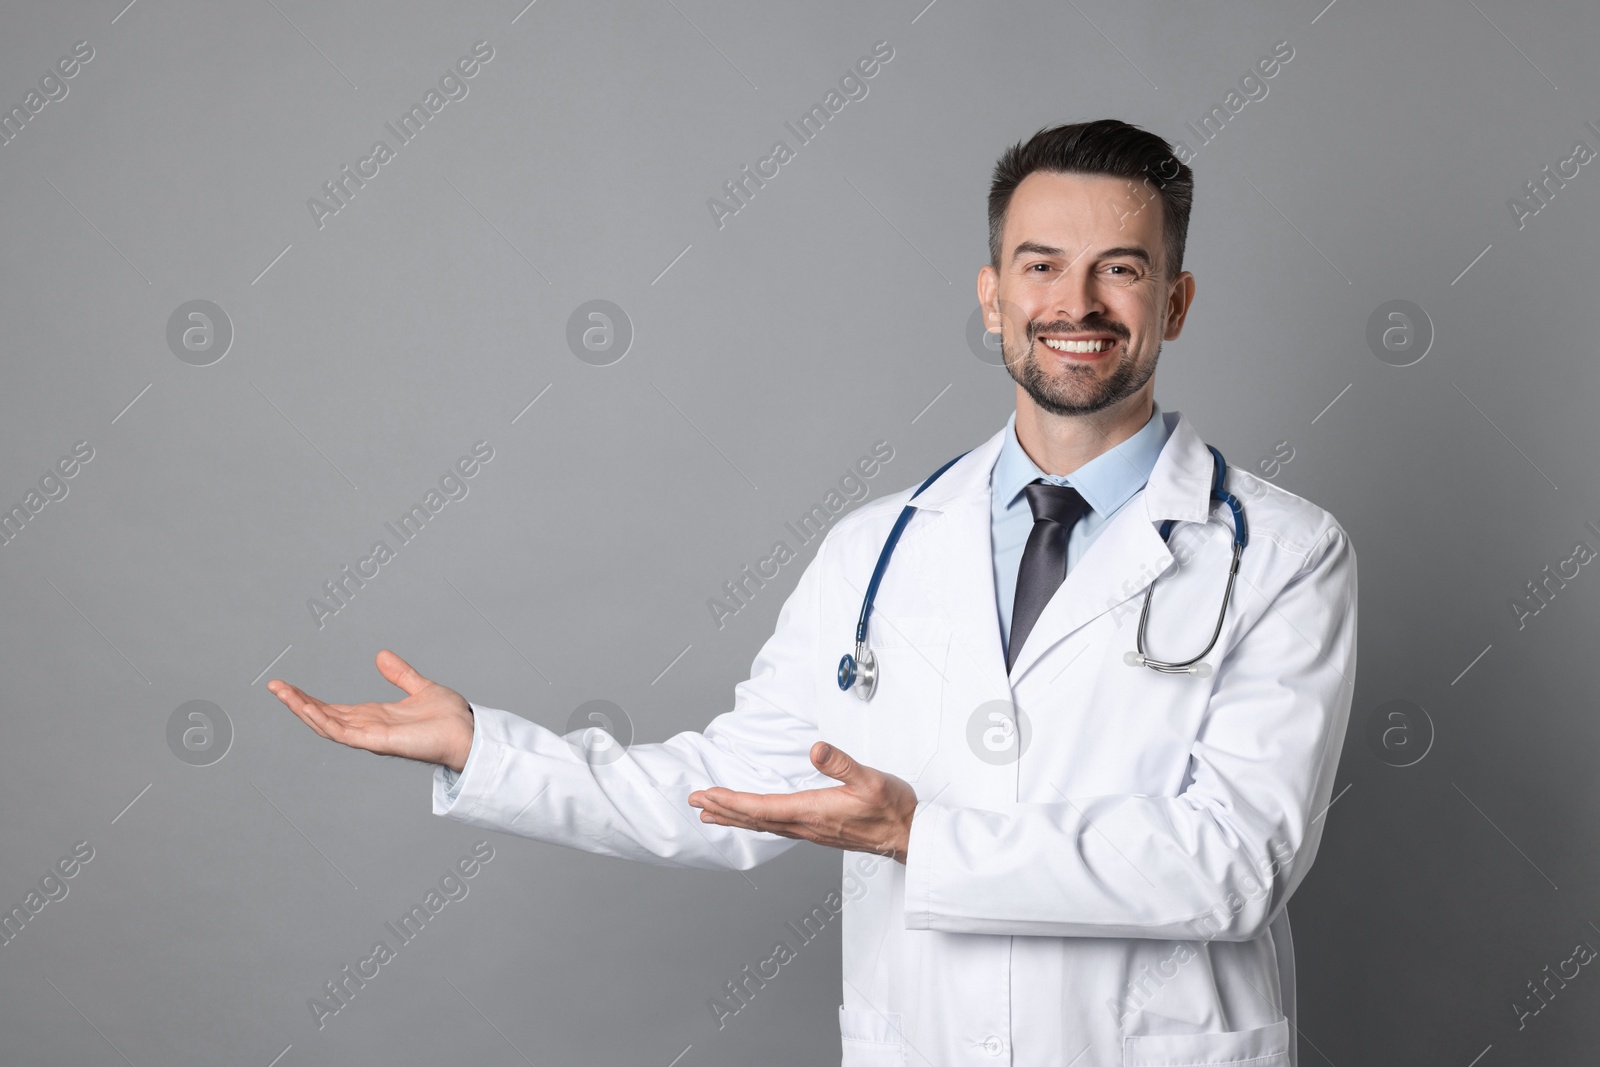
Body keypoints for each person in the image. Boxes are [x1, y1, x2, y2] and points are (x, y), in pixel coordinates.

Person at [270, 119, 1357, 1067]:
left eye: (1120, 269)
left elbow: (1231, 862)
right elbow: (735, 789)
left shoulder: (1283, 553)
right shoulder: (875, 547)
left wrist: (917, 837)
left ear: (1174, 299)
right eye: (1039, 265)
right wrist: (486, 749)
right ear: (991, 297)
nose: (1074, 303)